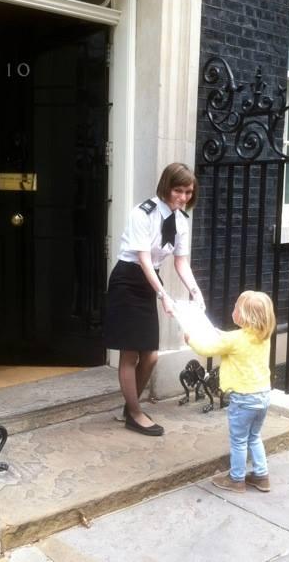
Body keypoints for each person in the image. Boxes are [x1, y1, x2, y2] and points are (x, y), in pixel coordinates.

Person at [104, 163, 205, 437]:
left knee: (150, 356)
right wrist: (163, 295)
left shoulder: (181, 221)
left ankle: (130, 406)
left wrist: (195, 291)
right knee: (130, 353)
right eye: (178, 190)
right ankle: (135, 413)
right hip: (128, 280)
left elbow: (181, 262)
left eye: (188, 192)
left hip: (150, 282)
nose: (183, 197)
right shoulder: (143, 213)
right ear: (166, 187)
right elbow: (144, 259)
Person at [184, 290, 275, 492]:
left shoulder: (235, 339)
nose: (233, 310)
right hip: (263, 396)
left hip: (243, 399)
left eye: (236, 308)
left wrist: (190, 339)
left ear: (245, 316)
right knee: (254, 437)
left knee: (238, 440)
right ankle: (261, 476)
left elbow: (206, 350)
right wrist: (220, 333)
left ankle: (236, 479)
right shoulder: (262, 336)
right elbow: (235, 340)